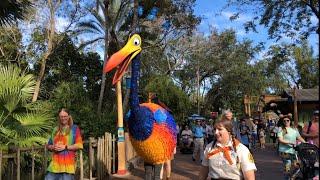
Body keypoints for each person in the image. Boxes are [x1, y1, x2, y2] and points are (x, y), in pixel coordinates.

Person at [45, 108, 83, 180]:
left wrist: (65, 147)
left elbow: (79, 145)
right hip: (54, 166)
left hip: (68, 167)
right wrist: (52, 147)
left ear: (69, 116)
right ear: (59, 117)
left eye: (65, 116)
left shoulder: (74, 128)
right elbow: (48, 145)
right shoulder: (55, 130)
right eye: (61, 116)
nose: (63, 118)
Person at [277, 114, 306, 180]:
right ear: (282, 122)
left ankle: (291, 177)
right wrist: (290, 142)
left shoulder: (294, 129)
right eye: (284, 121)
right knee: (288, 167)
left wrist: (306, 143)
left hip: (293, 151)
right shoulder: (282, 129)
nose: (286, 122)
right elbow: (280, 140)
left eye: (288, 120)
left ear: (290, 121)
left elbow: (299, 137)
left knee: (297, 166)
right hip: (284, 152)